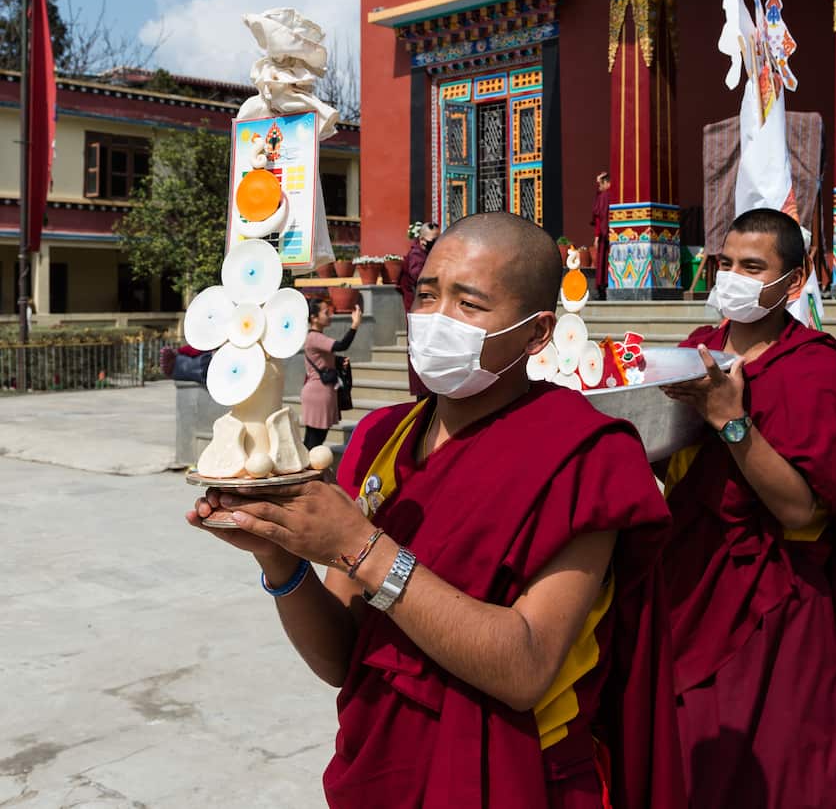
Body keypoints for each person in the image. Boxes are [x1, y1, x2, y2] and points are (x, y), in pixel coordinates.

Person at [187, 212, 685, 808]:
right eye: (426, 295)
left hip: (516, 779)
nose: (434, 319)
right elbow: (344, 658)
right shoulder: (380, 438)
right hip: (384, 770)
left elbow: (526, 669)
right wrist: (280, 559)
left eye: (468, 304)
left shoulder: (584, 457)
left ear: (536, 332)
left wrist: (364, 550)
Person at [659, 208, 836, 809]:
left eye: (752, 267)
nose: (732, 277)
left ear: (794, 281)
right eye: (726, 263)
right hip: (689, 572)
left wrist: (730, 420)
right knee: (686, 753)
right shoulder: (696, 350)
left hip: (771, 594)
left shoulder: (815, 364)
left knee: (774, 766)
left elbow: (799, 510)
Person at [301, 297, 361, 449]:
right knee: (314, 442)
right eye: (326, 312)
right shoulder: (315, 337)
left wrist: (339, 362)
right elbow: (342, 345)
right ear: (314, 318)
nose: (330, 315)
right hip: (319, 393)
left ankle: (308, 469)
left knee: (313, 440)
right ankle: (308, 470)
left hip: (319, 391)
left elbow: (325, 359)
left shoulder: (314, 337)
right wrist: (355, 325)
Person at [400, 222, 441, 399]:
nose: (437, 242)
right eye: (434, 240)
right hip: (419, 315)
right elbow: (421, 278)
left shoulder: (427, 253)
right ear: (422, 240)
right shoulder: (417, 255)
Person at [591, 172, 611, 300]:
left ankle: (602, 291)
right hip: (614, 233)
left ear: (606, 183)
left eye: (600, 184)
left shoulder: (604, 196)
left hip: (605, 236)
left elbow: (600, 217)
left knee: (603, 263)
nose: (599, 187)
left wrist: (597, 236)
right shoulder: (611, 195)